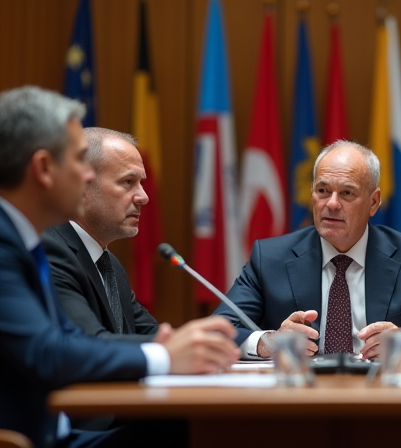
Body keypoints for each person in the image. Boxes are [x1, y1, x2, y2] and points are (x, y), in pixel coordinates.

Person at [0, 86, 240, 448]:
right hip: (30, 439)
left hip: (58, 433)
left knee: (200, 427)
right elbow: (49, 352)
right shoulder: (8, 244)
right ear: (45, 168)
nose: (86, 177)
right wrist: (163, 355)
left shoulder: (25, 241)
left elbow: (72, 341)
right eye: (80, 161)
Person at [214, 140, 401, 360]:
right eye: (323, 191)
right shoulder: (270, 257)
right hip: (299, 401)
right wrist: (269, 342)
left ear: (373, 202)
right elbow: (220, 330)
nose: (332, 204)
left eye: (347, 193)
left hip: (385, 399)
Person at [42, 127, 158, 342]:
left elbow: (151, 334)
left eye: (141, 183)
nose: (144, 197)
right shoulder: (49, 250)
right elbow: (87, 341)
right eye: (128, 182)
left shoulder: (108, 263)